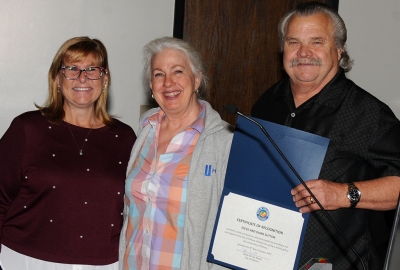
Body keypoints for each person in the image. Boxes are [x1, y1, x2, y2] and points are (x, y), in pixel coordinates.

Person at [251, 2, 400, 269]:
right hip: (265, 254)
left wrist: (344, 194)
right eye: (293, 42)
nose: (304, 52)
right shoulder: (267, 103)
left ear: (339, 50)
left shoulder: (368, 113)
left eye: (317, 42)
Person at [0, 36, 137, 269]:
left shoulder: (126, 138)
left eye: (92, 69)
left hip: (103, 264)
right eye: (72, 69)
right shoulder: (27, 129)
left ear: (105, 80)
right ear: (56, 79)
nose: (82, 77)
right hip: (25, 261)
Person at [119, 37, 233, 270]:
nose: (168, 83)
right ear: (151, 85)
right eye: (159, 74)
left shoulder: (225, 142)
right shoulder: (144, 132)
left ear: (197, 79)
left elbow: (231, 228)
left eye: (178, 71)